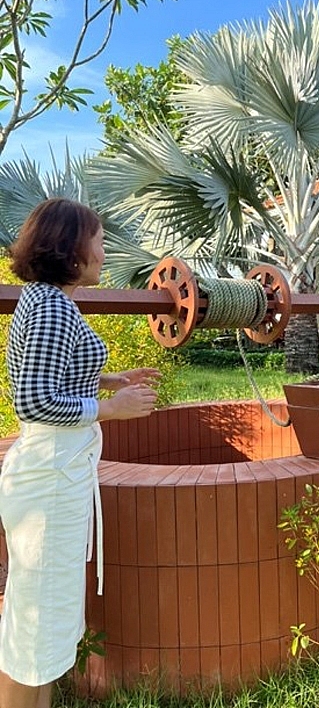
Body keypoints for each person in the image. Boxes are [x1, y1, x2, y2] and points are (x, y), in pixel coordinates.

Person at [0, 199, 160, 708]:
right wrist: (112, 407)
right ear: (70, 250)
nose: (105, 248)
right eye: (99, 238)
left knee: (42, 619)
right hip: (49, 477)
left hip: (56, 476)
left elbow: (54, 373)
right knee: (35, 624)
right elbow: (34, 398)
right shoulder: (49, 305)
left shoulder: (50, 300)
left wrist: (111, 379)